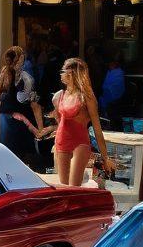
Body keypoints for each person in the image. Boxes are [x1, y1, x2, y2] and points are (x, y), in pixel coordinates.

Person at [46, 57, 113, 187]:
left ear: (72, 74)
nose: (61, 74)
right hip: (61, 142)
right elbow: (60, 122)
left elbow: (97, 129)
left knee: (73, 188)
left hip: (80, 143)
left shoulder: (87, 97)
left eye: (64, 71)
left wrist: (105, 157)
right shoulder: (58, 96)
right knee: (64, 187)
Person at [0, 46, 43, 165]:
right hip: (20, 127)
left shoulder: (3, 73)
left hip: (5, 123)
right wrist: (40, 130)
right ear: (21, 58)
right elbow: (35, 105)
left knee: (6, 160)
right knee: (22, 161)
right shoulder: (27, 79)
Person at [99, 57, 126, 128]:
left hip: (114, 98)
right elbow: (105, 84)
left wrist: (106, 90)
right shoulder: (109, 72)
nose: (110, 65)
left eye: (112, 63)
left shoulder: (119, 73)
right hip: (105, 96)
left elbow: (117, 86)